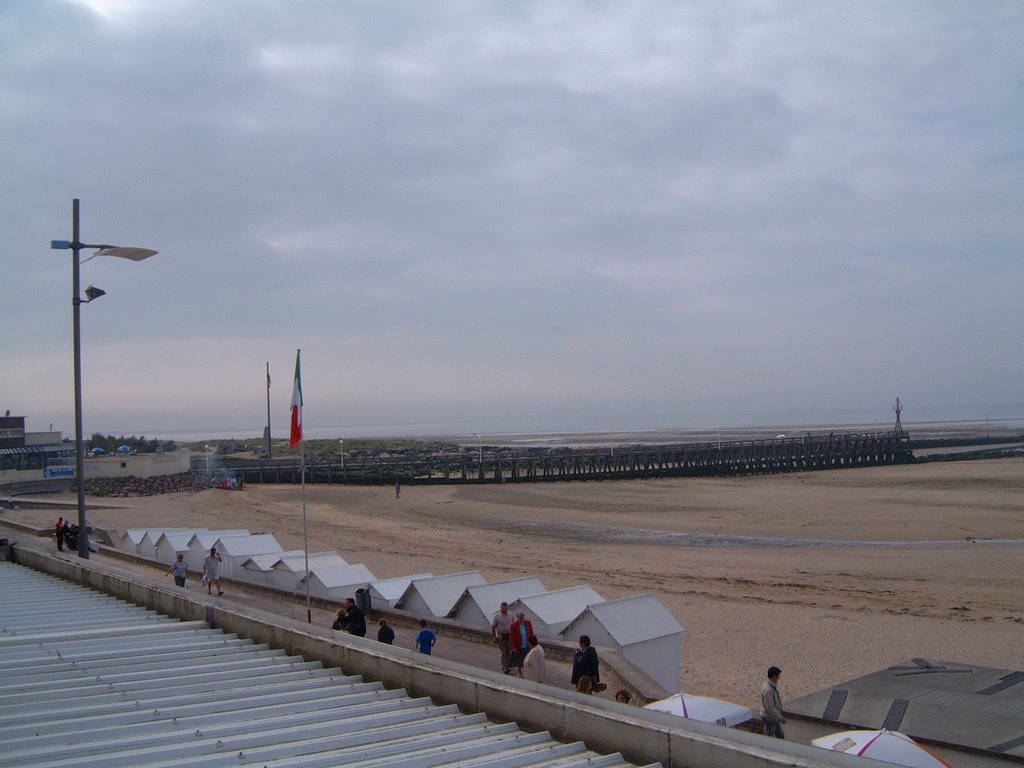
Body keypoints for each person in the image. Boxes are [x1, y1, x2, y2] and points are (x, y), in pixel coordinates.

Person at [760, 666, 786, 739]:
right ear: (774, 677)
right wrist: (780, 718)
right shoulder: (768, 690)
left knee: (780, 736)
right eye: (778, 676)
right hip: (770, 718)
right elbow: (770, 708)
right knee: (769, 738)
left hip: (774, 718)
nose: (779, 678)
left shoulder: (770, 686)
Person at [509, 611, 534, 678]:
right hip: (518, 646)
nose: (522, 620)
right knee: (519, 661)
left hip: (527, 645)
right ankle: (520, 674)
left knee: (527, 661)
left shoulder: (528, 623)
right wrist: (513, 647)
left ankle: (527, 673)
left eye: (523, 618)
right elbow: (511, 637)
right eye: (520, 618)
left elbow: (531, 633)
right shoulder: (513, 625)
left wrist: (532, 643)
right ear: (517, 618)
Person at [491, 601, 514, 674]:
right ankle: (505, 667)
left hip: (509, 637)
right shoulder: (497, 617)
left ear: (507, 608)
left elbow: (514, 625)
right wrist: (494, 637)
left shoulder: (511, 615)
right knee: (503, 652)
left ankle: (508, 665)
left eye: (505, 608)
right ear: (500, 608)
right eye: (503, 608)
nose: (504, 609)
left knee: (509, 652)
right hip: (501, 637)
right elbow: (493, 627)